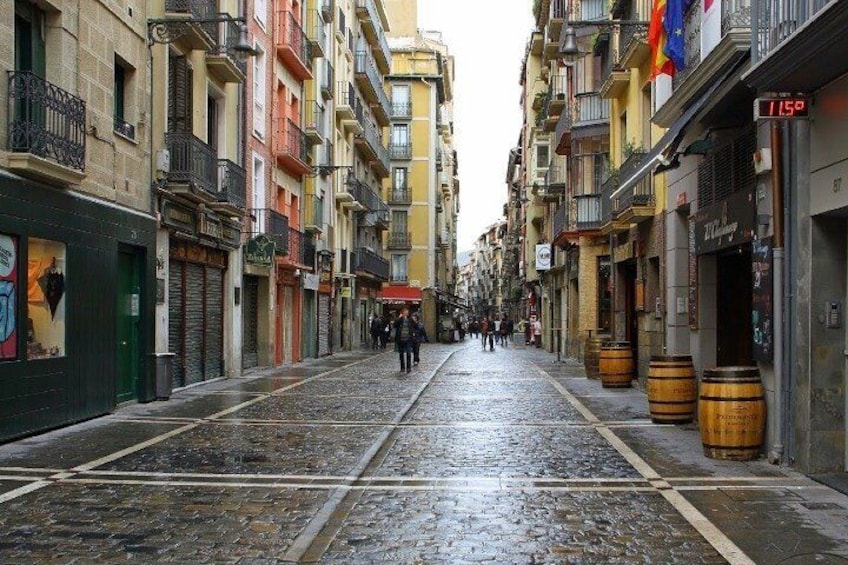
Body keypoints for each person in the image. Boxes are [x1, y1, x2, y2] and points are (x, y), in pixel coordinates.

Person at [394, 308, 416, 373]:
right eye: (405, 312)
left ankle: (408, 368)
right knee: (401, 354)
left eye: (407, 312)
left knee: (408, 353)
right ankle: (402, 368)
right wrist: (398, 318)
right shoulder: (400, 319)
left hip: (408, 339)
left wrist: (414, 321)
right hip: (400, 339)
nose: (407, 313)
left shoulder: (410, 319)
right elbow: (394, 325)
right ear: (402, 313)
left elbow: (415, 326)